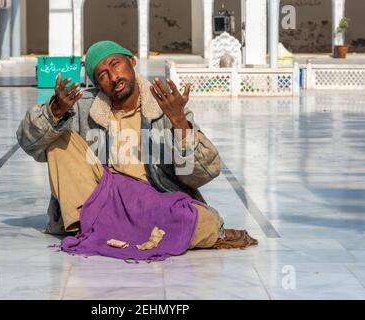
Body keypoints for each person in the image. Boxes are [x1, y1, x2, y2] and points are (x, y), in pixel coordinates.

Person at [17, 41, 257, 259]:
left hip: (151, 200)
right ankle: (101, 224)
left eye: (115, 64)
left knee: (204, 222)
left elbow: (205, 173)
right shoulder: (82, 108)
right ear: (96, 83)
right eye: (102, 74)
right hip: (100, 197)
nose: (113, 77)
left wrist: (180, 123)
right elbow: (29, 142)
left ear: (131, 61)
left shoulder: (166, 108)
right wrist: (55, 111)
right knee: (60, 140)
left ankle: (114, 229)